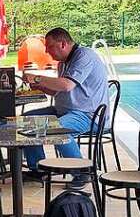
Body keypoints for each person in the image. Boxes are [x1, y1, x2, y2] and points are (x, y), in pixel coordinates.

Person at [22, 28, 108, 188]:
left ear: (63, 44)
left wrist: (37, 77)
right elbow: (57, 90)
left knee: (57, 129)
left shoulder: (84, 56)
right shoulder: (63, 62)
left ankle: (82, 172)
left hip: (88, 115)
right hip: (65, 110)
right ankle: (37, 169)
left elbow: (67, 85)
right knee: (27, 120)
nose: (47, 51)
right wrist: (39, 86)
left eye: (50, 47)